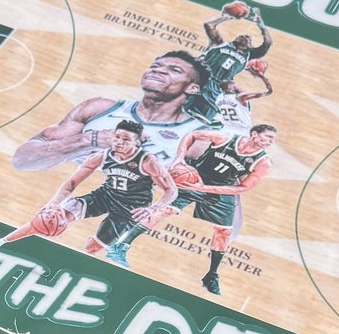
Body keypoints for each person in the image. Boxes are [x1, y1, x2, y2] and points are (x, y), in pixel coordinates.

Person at [107, 121, 278, 296]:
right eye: (268, 136)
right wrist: (179, 158)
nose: (270, 141)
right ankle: (119, 246)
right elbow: (193, 135)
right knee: (164, 210)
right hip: (194, 177)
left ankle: (211, 276)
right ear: (255, 134)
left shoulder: (263, 162)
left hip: (218, 189)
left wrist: (204, 189)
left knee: (224, 232)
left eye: (273, 139)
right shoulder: (225, 138)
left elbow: (242, 188)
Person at [10, 49, 217, 175]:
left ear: (192, 88)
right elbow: (22, 161)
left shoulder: (197, 136)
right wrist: (91, 140)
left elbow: (217, 202)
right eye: (155, 66)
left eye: (175, 70)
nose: (158, 70)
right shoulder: (99, 108)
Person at [0, 120, 176, 266]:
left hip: (130, 209)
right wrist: (53, 203)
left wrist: (154, 208)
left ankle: (65, 265)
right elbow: (72, 182)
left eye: (126, 139)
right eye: (117, 137)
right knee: (53, 217)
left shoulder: (147, 162)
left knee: (91, 248)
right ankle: (2, 241)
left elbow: (171, 190)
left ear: (137, 142)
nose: (119, 142)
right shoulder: (102, 156)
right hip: (104, 196)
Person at [187, 3, 274, 130]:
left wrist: (260, 24)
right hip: (199, 77)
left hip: (216, 88)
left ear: (250, 45)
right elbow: (209, 25)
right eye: (242, 35)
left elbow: (267, 43)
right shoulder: (219, 43)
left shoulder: (248, 55)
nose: (245, 36)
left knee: (199, 119)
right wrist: (227, 17)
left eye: (248, 37)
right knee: (173, 102)